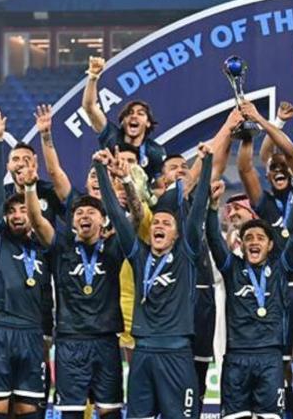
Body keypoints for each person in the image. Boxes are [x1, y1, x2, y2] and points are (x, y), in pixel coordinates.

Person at [96, 141, 212, 418]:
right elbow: (114, 213)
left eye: (166, 223)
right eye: (156, 222)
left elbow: (197, 213)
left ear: (177, 233)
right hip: (143, 353)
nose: (159, 225)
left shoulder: (187, 253)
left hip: (178, 354)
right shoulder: (138, 254)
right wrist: (101, 171)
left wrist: (205, 164)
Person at [205, 167, 293, 419]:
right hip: (236, 357)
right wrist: (213, 207)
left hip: (270, 357)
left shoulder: (281, 266)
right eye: (249, 238)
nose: (254, 241)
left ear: (270, 245)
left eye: (260, 237)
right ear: (242, 244)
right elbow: (213, 238)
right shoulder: (231, 267)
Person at [24, 158, 126, 418]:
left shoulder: (114, 249)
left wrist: (109, 176)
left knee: (110, 413)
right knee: (70, 413)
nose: (84, 216)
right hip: (70, 342)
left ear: (103, 221)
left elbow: (126, 217)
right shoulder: (61, 248)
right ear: (72, 222)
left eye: (91, 212)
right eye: (79, 213)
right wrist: (29, 188)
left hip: (106, 341)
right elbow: (36, 222)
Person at [0, 107, 53, 418]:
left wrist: (29, 191)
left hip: (32, 331)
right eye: (11, 212)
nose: (16, 215)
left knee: (28, 407)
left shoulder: (44, 242)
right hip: (1, 329)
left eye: (22, 211)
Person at [83, 56, 166, 181]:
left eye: (140, 113)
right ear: (123, 122)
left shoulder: (155, 152)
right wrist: (93, 77)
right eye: (129, 113)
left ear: (148, 123)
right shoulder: (111, 136)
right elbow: (90, 107)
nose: (134, 116)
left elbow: (160, 186)